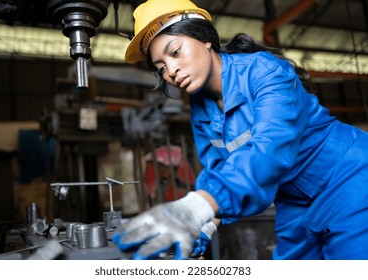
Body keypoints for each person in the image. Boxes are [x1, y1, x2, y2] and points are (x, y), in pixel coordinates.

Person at [113, 0, 368, 260]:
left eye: (175, 52)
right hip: (294, 201)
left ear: (204, 38)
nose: (172, 71)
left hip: (348, 178)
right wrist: (206, 223)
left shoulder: (264, 71)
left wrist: (196, 206)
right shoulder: (200, 108)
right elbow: (222, 171)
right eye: (161, 68)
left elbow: (268, 151)